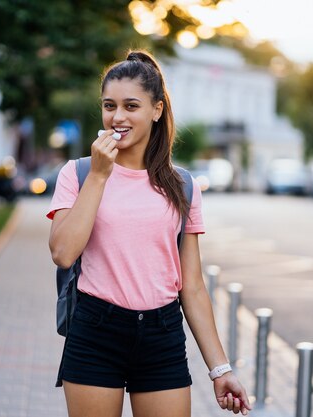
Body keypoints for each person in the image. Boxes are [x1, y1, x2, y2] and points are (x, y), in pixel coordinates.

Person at [47, 50, 251, 417]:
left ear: (156, 110)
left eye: (131, 106)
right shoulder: (77, 174)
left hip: (162, 335)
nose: (117, 117)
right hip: (95, 331)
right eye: (109, 106)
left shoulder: (182, 185)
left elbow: (192, 285)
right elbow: (63, 253)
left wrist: (221, 370)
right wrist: (98, 175)